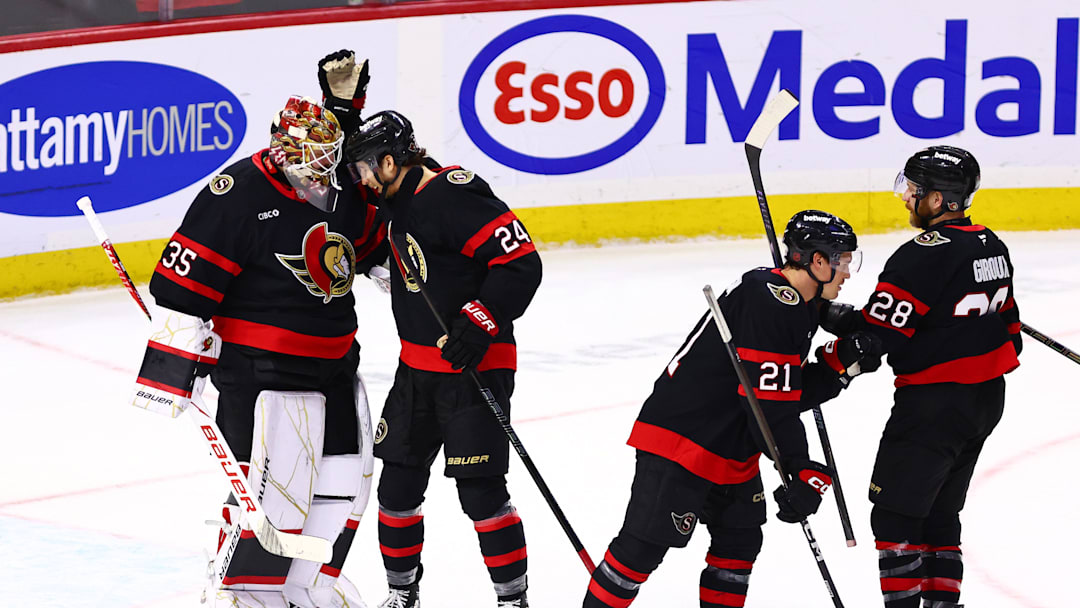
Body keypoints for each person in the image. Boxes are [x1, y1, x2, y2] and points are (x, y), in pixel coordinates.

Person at [129, 93, 388, 608]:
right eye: (316, 160)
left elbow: (373, 247)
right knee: (274, 496)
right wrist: (172, 372)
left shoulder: (339, 189)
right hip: (259, 372)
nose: (327, 171)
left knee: (343, 484)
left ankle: (308, 583)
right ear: (286, 153)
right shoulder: (237, 195)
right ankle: (244, 589)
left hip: (337, 366)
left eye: (330, 157)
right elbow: (181, 291)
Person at [582, 211, 884, 608]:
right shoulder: (773, 301)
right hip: (685, 440)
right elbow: (768, 403)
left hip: (732, 442)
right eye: (842, 261)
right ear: (817, 261)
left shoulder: (798, 302)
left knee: (739, 542)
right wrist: (798, 465)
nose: (847, 272)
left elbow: (780, 390)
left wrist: (837, 367)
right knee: (642, 548)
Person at [342, 110, 543, 608]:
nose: (360, 181)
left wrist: (479, 322)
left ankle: (511, 601)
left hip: (475, 369)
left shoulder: (451, 195)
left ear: (390, 163)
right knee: (397, 490)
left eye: (366, 169)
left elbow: (521, 263)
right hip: (415, 374)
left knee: (481, 494)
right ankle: (401, 592)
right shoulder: (398, 197)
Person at [820, 146, 1022, 608]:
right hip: (985, 400)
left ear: (937, 200)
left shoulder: (921, 255)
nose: (906, 198)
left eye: (913, 190)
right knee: (938, 516)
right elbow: (1010, 332)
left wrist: (826, 367)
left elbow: (878, 338)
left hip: (934, 406)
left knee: (894, 518)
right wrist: (841, 316)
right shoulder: (991, 245)